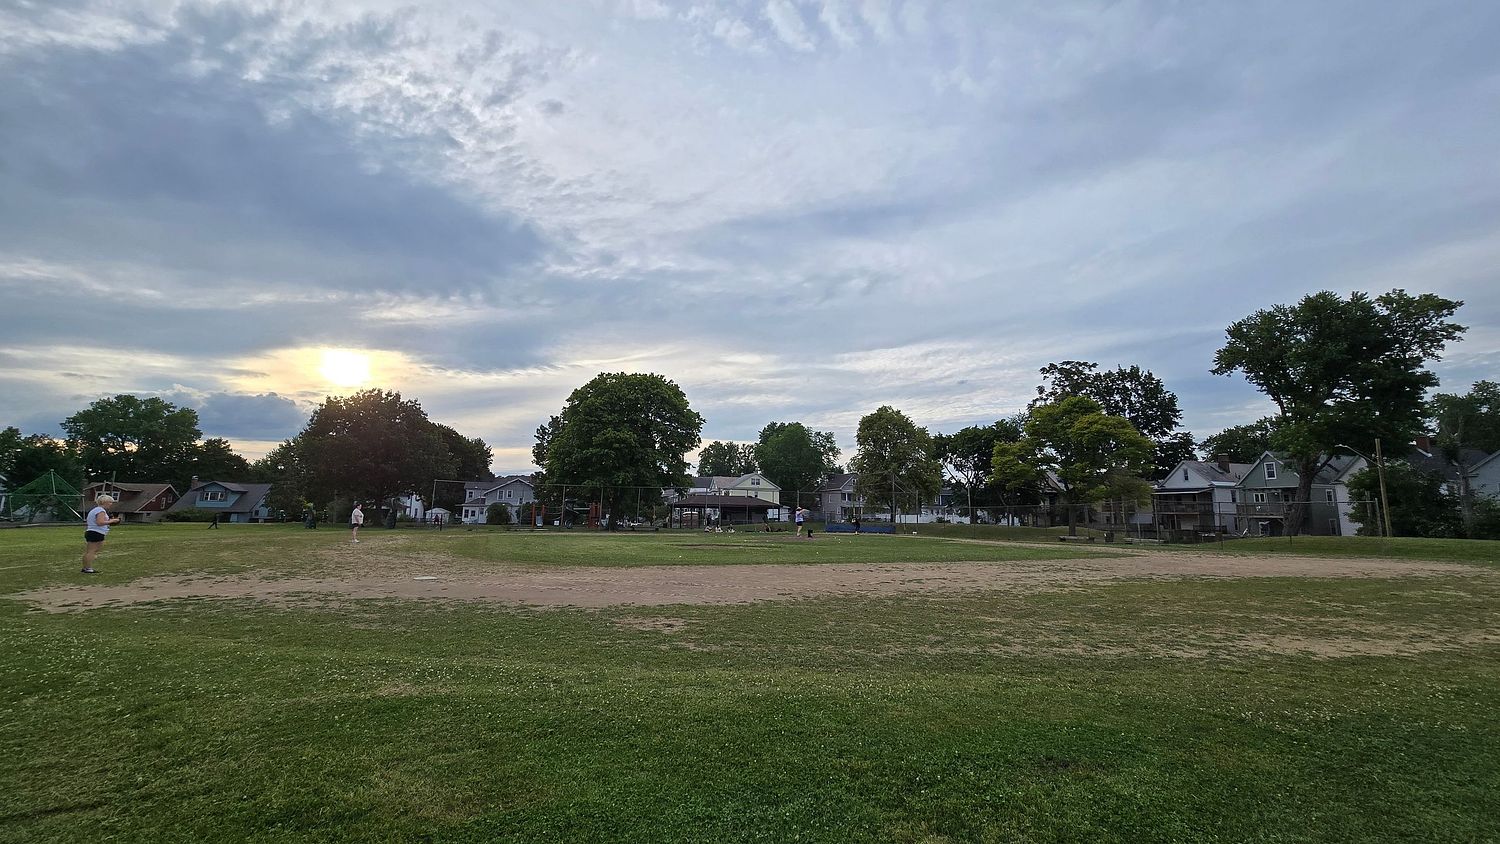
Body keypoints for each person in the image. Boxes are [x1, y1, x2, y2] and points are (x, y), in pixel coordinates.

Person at [81, 494, 121, 574]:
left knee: (89, 551)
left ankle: (86, 567)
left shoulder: (95, 510)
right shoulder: (101, 511)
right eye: (110, 502)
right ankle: (88, 568)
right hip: (96, 532)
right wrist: (112, 521)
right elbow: (100, 522)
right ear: (105, 502)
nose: (111, 504)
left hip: (91, 532)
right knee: (92, 551)